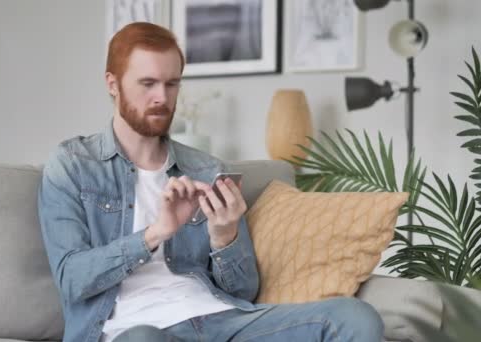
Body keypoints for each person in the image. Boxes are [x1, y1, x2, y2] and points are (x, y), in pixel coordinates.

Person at [37, 22, 384, 342]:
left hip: (220, 320)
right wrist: (156, 233)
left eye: (172, 84)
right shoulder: (73, 165)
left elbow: (243, 292)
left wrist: (224, 236)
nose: (162, 97)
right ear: (112, 83)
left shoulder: (205, 168)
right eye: (148, 84)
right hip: (133, 331)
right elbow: (72, 280)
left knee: (354, 317)